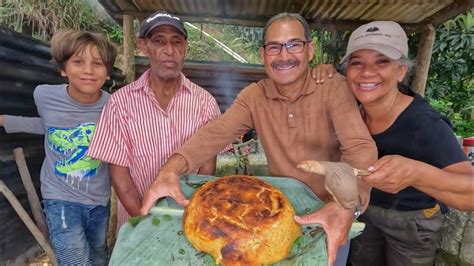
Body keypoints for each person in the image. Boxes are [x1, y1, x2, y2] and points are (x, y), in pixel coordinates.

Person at [140, 13, 378, 266]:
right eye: (274, 47)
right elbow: (214, 133)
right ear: (263, 55)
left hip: (330, 215)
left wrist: (345, 205)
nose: (284, 56)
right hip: (270, 223)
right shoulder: (254, 96)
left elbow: (359, 148)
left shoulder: (333, 87)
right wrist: (171, 169)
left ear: (310, 50)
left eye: (294, 45)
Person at [329, 21, 473, 266]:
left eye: (381, 61)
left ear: (401, 70)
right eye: (357, 62)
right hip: (366, 213)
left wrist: (417, 174)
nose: (366, 71)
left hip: (413, 222)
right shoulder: (351, 112)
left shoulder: (424, 124)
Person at [87, 11, 221, 231]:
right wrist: (143, 221)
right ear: (143, 46)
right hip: (137, 218)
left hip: (188, 219)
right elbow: (119, 174)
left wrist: (193, 213)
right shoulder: (120, 103)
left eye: (176, 42)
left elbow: (207, 166)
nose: (169, 51)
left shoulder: (204, 102)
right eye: (159, 41)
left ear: (185, 47)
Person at [0, 29, 116, 265]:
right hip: (60, 198)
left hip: (99, 198)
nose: (88, 70)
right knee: (75, 260)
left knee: (99, 254)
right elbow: (49, 125)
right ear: (63, 69)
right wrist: (3, 120)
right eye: (78, 62)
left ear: (107, 73)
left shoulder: (114, 106)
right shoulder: (43, 96)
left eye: (98, 63)